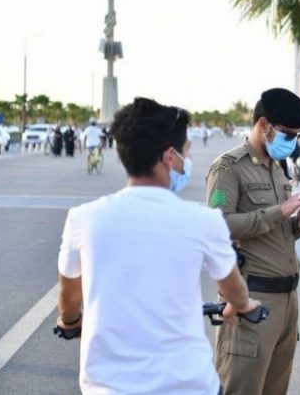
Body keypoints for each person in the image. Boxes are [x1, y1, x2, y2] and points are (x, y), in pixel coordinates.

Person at [55, 97, 260, 394]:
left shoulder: (83, 218)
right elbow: (234, 289)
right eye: (186, 151)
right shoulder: (203, 221)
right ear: (169, 156)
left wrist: (70, 322)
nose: (187, 158)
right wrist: (244, 305)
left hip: (109, 387)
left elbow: (69, 297)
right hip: (188, 386)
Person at [205, 88, 300, 395]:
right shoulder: (228, 167)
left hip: (287, 299)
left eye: (297, 135)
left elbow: (277, 230)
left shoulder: (278, 168)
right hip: (250, 297)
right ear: (263, 124)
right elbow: (217, 225)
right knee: (240, 387)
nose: (292, 142)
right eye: (288, 134)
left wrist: (299, 224)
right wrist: (280, 210)